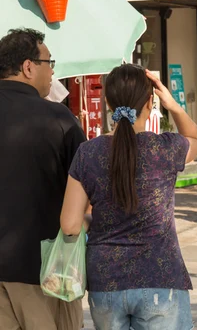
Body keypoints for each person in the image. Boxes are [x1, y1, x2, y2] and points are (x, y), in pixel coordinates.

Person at [60, 65, 197, 329]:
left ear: (107, 102)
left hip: (105, 280)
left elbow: (70, 226)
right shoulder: (166, 148)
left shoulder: (87, 153)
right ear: (151, 102)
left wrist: (95, 219)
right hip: (160, 279)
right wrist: (171, 103)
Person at [0, 28, 86, 330]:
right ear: (28, 66)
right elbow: (88, 191)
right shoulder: (60, 120)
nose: (52, 72)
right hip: (46, 273)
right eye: (49, 62)